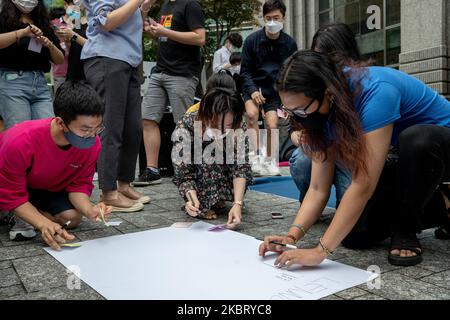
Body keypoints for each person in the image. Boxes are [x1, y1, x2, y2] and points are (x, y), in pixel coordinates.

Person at [259, 50, 450, 268]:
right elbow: (318, 188)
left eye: (302, 109)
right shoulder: (321, 112)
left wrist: (321, 251)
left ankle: (405, 228)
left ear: (327, 92)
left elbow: (363, 183)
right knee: (355, 233)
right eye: (290, 111)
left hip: (438, 148)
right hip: (402, 160)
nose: (298, 117)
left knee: (417, 140)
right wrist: (292, 237)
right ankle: (444, 205)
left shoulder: (376, 90)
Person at [0, 81, 112, 249]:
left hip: (45, 188)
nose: (92, 135)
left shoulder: (92, 144)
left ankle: (23, 214)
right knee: (15, 204)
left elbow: (78, 186)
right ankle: (15, 213)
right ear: (61, 123)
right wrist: (43, 223)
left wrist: (90, 209)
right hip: (11, 184)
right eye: (85, 129)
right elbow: (10, 193)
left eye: (97, 128)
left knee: (72, 218)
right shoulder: (20, 140)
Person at [82, 0, 154, 212]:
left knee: (133, 127)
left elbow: (132, 22)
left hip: (129, 61)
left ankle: (124, 183)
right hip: (106, 57)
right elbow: (107, 22)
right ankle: (108, 191)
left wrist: (144, 8)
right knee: (111, 127)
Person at [290, 23, 366, 208]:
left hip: (353, 155)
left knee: (354, 213)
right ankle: (307, 203)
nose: (324, 66)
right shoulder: (314, 87)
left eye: (329, 58)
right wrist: (294, 234)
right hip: (323, 149)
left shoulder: (364, 87)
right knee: (303, 161)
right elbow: (318, 189)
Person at [136, 0, 206, 186]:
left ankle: (185, 170)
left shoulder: (190, 5)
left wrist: (164, 32)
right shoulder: (166, 6)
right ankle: (152, 169)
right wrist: (155, 33)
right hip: (159, 71)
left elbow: (200, 38)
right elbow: (166, 38)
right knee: (148, 119)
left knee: (182, 123)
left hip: (183, 73)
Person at [173, 75, 252, 227]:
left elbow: (240, 167)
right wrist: (191, 199)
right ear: (205, 114)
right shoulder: (187, 124)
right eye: (215, 123)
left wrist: (238, 203)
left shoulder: (238, 124)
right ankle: (201, 200)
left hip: (226, 172)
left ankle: (221, 196)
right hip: (200, 173)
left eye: (227, 125)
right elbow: (183, 173)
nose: (222, 130)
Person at [240, 0, 297, 176]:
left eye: (276, 18)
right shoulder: (251, 41)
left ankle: (271, 161)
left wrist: (287, 99)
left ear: (283, 18)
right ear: (264, 18)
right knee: (251, 115)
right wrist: (253, 91)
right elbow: (245, 71)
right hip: (253, 87)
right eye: (268, 18)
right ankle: (254, 158)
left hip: (274, 91)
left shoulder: (289, 44)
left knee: (272, 125)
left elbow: (291, 73)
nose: (272, 22)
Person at [0, 0, 65, 129]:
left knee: (47, 131)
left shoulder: (43, 24)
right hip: (13, 83)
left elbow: (60, 59)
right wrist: (23, 33)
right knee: (20, 134)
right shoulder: (3, 20)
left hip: (40, 85)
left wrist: (49, 45)